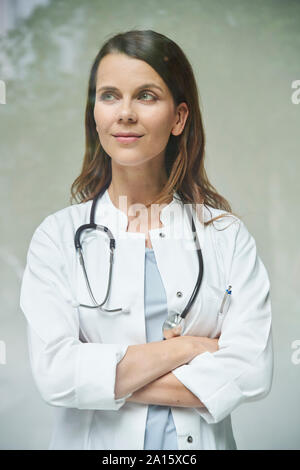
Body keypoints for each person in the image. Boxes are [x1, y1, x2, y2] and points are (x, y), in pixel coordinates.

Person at [19, 29, 273, 450]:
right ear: (95, 113)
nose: (125, 113)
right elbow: (55, 375)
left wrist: (98, 378)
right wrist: (188, 349)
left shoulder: (226, 236)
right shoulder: (57, 237)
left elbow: (251, 372)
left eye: (147, 96)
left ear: (179, 118)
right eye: (109, 95)